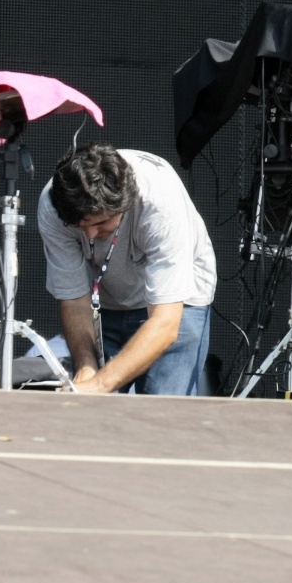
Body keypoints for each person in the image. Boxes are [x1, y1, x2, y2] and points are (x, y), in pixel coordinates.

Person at [39, 142, 218, 395]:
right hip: (107, 302)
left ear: (124, 205)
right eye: (79, 225)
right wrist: (86, 370)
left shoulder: (159, 205)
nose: (89, 234)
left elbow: (165, 324)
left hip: (177, 303)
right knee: (95, 410)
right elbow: (75, 300)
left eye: (100, 223)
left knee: (161, 416)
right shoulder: (53, 204)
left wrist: (100, 384)